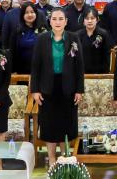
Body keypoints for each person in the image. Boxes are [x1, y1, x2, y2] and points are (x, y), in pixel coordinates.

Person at [30, 10, 84, 167]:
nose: (58, 22)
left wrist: (79, 90)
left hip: (68, 87)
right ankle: (52, 159)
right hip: (47, 88)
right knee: (49, 125)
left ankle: (65, 158)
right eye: (54, 19)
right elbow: (35, 66)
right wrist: (35, 90)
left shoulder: (73, 38)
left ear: (66, 21)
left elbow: (79, 66)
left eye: (61, 19)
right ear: (50, 21)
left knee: (66, 124)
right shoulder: (42, 39)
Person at [76, 9, 112, 74]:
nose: (89, 21)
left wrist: (105, 73)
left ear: (97, 19)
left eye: (92, 18)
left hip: (99, 73)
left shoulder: (104, 34)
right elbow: (74, 55)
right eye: (87, 18)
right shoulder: (77, 35)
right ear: (83, 20)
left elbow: (107, 55)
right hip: (81, 72)